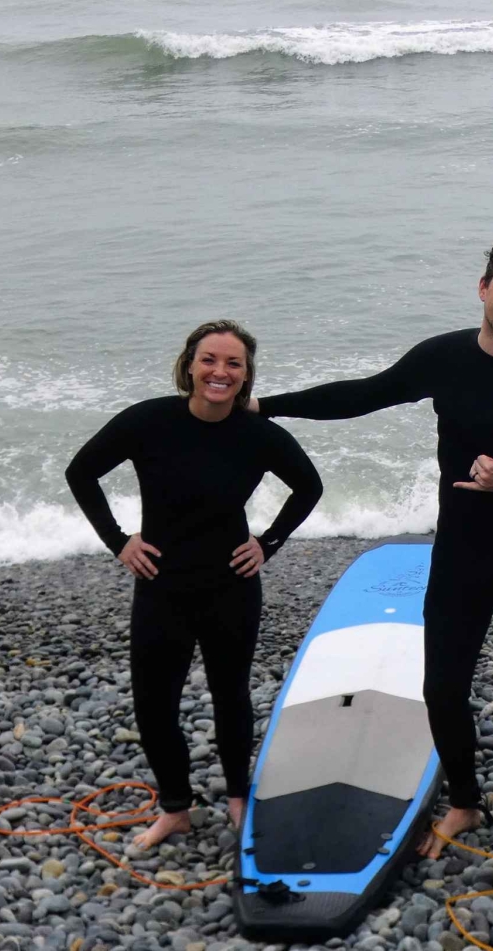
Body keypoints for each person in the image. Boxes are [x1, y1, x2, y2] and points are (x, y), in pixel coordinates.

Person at [249, 232, 493, 860]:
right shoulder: (443, 358)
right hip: (462, 552)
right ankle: (464, 800)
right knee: (441, 685)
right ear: (484, 288)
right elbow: (362, 395)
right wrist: (264, 406)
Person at [66, 320, 323, 850]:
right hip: (162, 585)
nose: (219, 372)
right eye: (209, 360)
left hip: (231, 585)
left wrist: (267, 544)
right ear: (189, 364)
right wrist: (119, 542)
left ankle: (236, 797)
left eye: (233, 363)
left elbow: (309, 487)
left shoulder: (259, 435)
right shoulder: (149, 421)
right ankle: (176, 808)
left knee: (231, 695)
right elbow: (81, 471)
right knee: (153, 706)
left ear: (247, 375)